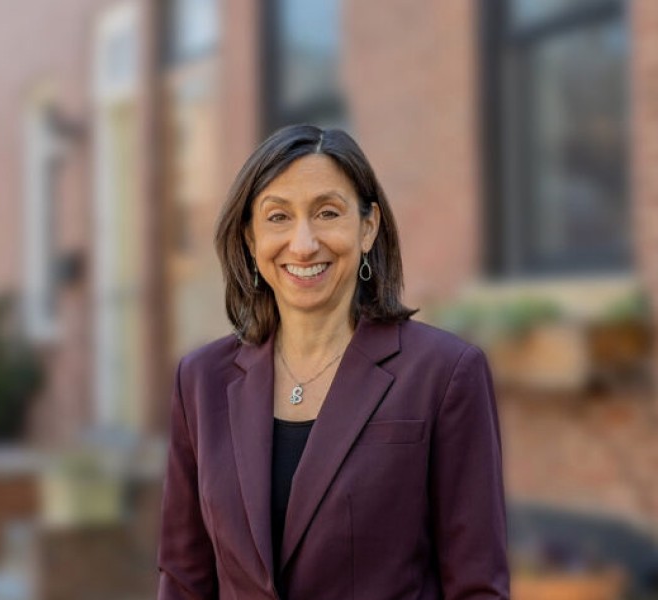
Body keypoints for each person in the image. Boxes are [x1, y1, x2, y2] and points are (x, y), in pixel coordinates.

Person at [157, 124, 509, 599]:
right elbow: (183, 579)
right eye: (278, 217)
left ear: (367, 228)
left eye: (327, 213)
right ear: (249, 237)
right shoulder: (200, 381)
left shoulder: (444, 374)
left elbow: (476, 586)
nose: (303, 244)